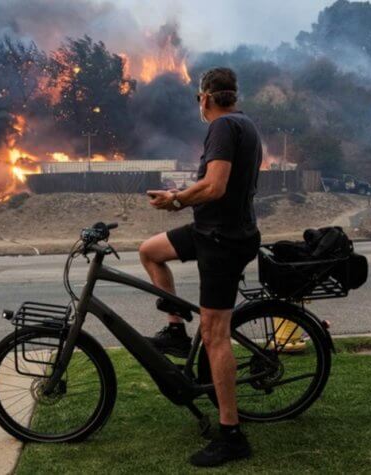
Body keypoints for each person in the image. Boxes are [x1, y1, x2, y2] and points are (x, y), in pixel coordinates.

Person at [141, 67, 262, 468]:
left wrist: (175, 200)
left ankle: (232, 435)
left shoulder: (223, 127)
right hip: (208, 229)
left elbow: (215, 186)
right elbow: (212, 189)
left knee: (215, 334)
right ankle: (175, 329)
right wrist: (179, 198)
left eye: (198, 99)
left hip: (223, 241)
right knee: (150, 251)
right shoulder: (243, 123)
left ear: (205, 98)